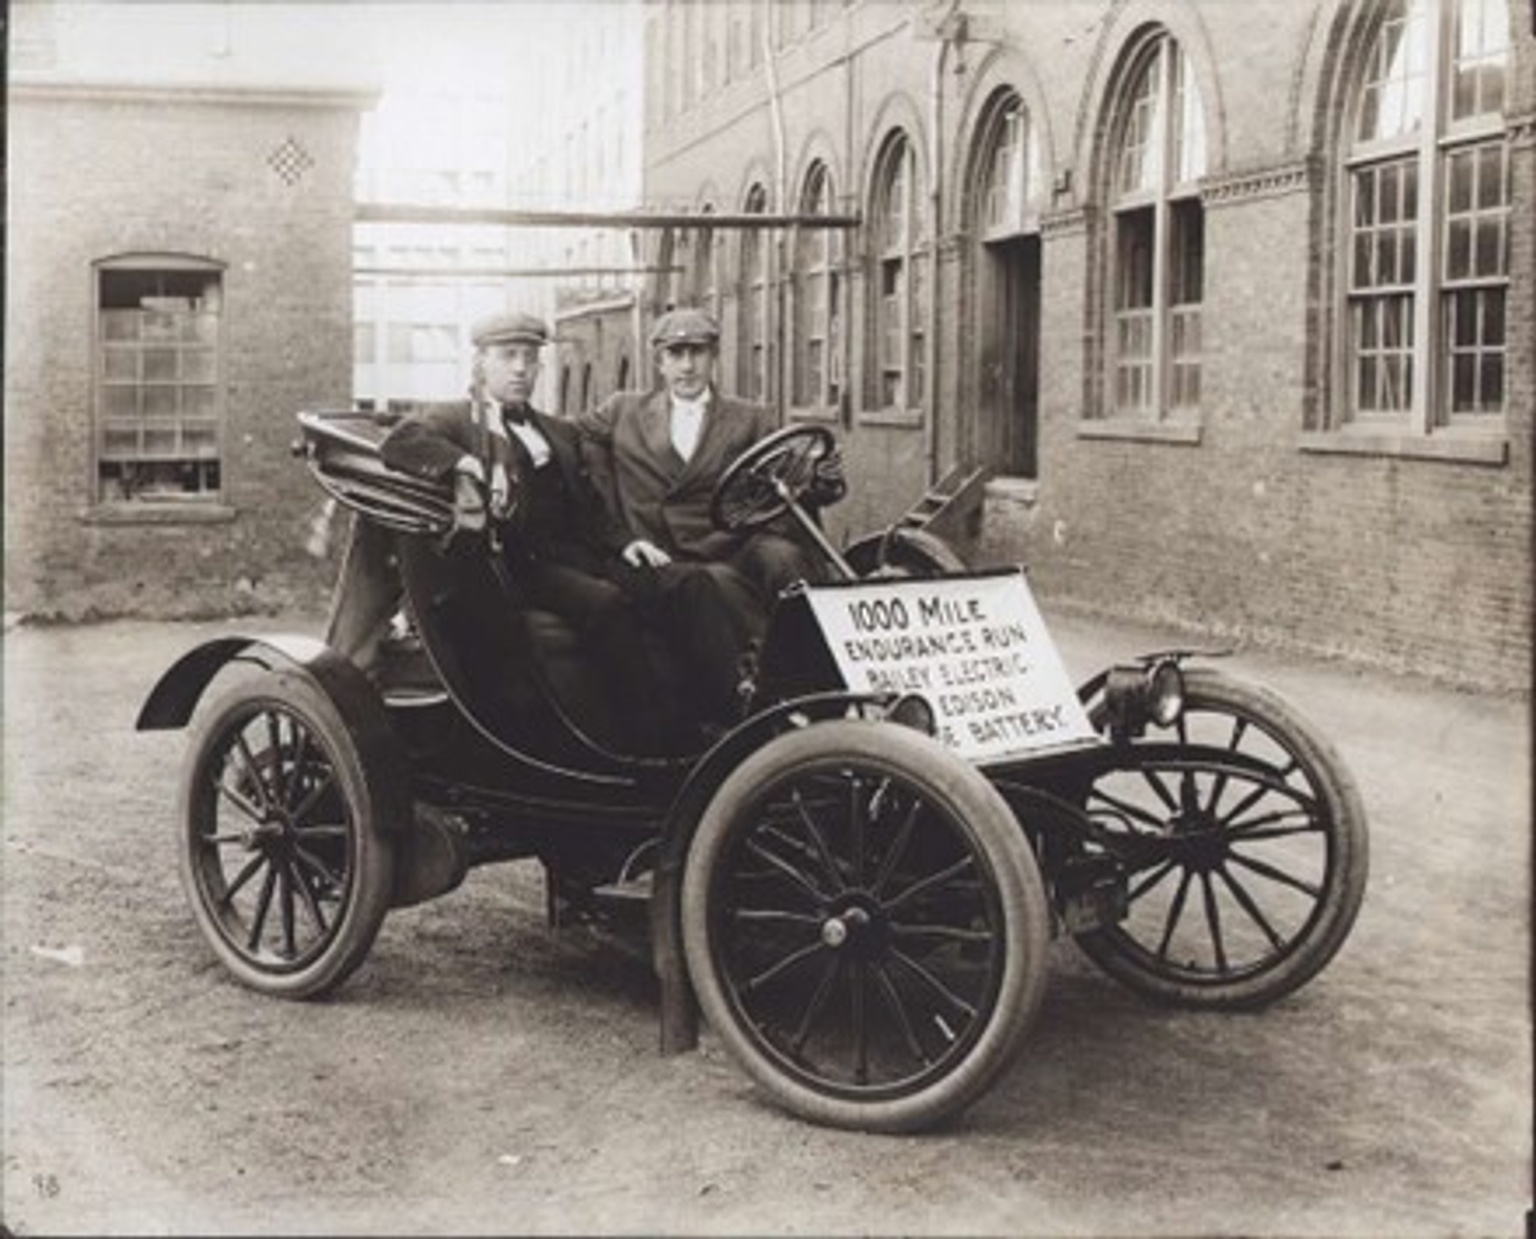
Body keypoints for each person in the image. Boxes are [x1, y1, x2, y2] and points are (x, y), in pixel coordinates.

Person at [379, 310, 735, 753]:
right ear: (481, 364)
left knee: (689, 584)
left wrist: (629, 544)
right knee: (605, 604)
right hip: (514, 567)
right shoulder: (456, 420)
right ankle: (654, 740)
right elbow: (398, 444)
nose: (520, 369)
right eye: (508, 357)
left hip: (580, 554)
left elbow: (590, 510)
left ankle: (727, 718)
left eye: (529, 358)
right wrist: (465, 463)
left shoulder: (556, 430)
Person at [577, 306, 846, 618]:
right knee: (719, 585)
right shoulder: (622, 411)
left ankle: (817, 650)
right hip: (662, 553)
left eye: (698, 353)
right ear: (659, 362)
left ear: (714, 358)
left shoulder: (751, 418)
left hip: (733, 545)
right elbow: (567, 439)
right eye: (676, 354)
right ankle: (757, 661)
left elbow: (792, 482)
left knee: (784, 559)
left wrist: (820, 476)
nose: (688, 366)